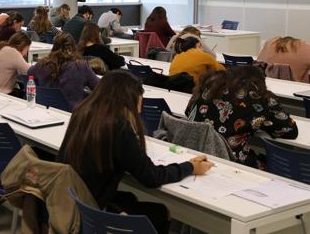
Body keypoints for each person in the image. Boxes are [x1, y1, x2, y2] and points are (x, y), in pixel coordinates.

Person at [58, 70, 214, 234]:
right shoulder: (118, 126)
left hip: (77, 200)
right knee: (160, 212)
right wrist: (190, 166)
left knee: (130, 198)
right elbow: (151, 177)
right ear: (130, 98)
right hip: (96, 208)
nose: (140, 108)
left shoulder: (83, 113)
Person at [186, 66, 298, 168]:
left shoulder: (210, 85)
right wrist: (258, 122)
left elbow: (188, 112)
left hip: (193, 155)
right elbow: (290, 131)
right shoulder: (259, 97)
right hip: (231, 162)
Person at [27, 32, 99, 111]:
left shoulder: (42, 64)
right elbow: (98, 87)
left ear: (54, 47)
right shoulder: (81, 66)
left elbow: (29, 74)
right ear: (73, 47)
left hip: (46, 109)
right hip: (73, 113)